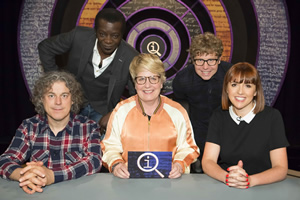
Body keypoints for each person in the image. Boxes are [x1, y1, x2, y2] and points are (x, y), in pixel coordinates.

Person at [38, 8, 139, 136]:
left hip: (103, 111)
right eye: (102, 34)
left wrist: (116, 114)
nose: (108, 41)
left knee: (99, 149)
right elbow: (45, 47)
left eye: (114, 36)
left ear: (121, 35)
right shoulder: (79, 36)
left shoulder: (131, 57)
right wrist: (57, 81)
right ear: (95, 31)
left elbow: (137, 95)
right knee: (61, 142)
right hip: (73, 104)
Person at [0, 71, 102, 194]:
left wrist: (52, 176)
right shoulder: (29, 126)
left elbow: (94, 161)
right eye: (51, 95)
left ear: (73, 99)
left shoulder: (88, 127)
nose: (58, 102)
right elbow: (5, 160)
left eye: (64, 95)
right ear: (41, 99)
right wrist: (24, 175)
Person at [101, 53, 200, 179]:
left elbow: (189, 148)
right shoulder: (121, 110)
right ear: (135, 83)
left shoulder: (177, 111)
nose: (147, 85)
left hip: (168, 182)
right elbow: (109, 146)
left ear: (161, 82)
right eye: (141, 79)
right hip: (129, 181)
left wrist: (179, 165)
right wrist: (116, 164)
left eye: (153, 78)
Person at [202, 62, 289, 188]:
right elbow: (208, 161)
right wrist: (228, 178)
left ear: (255, 91)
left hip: (263, 188)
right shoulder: (218, 116)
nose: (240, 92)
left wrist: (249, 180)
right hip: (226, 186)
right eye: (234, 85)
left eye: (248, 86)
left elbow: (281, 168)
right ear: (227, 89)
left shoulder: (272, 117)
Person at [172, 32, 232, 173]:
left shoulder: (231, 74)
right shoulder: (182, 79)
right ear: (192, 60)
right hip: (196, 129)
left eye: (211, 60)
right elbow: (181, 113)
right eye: (200, 60)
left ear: (219, 59)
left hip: (226, 128)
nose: (205, 67)